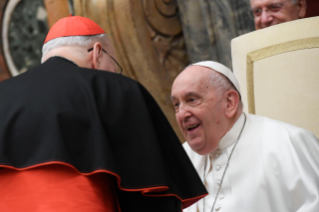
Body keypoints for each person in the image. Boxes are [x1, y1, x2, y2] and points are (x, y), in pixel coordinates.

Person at [0, 16, 207, 211]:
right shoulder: (116, 89)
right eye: (115, 66)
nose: (115, 74)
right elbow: (150, 191)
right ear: (97, 52)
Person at [171, 61, 319, 212]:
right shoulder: (180, 159)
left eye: (192, 100)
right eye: (176, 104)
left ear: (229, 103)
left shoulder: (288, 142)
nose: (182, 114)